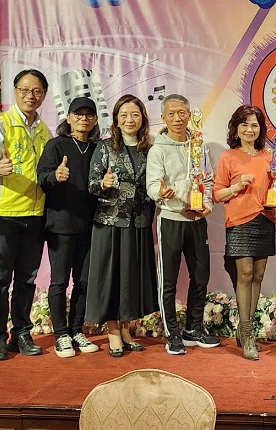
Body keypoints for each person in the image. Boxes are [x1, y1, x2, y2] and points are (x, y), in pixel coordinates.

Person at [0, 69, 51, 361]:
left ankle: (21, 333)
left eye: (36, 91)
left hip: (35, 214)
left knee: (27, 279)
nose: (30, 96)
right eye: (24, 90)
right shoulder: (0, 124)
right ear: (15, 91)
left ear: (43, 95)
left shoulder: (45, 130)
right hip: (4, 214)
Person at [145, 94, 219, 356]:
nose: (177, 118)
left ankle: (193, 329)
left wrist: (206, 204)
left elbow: (207, 179)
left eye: (182, 113)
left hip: (197, 220)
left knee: (201, 276)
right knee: (168, 280)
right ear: (163, 118)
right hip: (171, 220)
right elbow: (152, 184)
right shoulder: (158, 149)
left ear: (190, 115)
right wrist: (161, 193)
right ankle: (172, 334)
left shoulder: (198, 144)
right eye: (172, 114)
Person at [86, 94, 158, 357]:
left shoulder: (150, 148)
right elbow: (92, 183)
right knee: (112, 278)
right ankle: (113, 332)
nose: (130, 119)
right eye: (124, 115)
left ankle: (126, 329)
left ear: (143, 119)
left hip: (139, 223)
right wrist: (102, 184)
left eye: (135, 114)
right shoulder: (105, 147)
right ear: (116, 119)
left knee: (131, 279)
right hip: (111, 222)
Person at [213, 105, 276, 360]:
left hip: (265, 218)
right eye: (244, 124)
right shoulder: (228, 157)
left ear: (260, 129)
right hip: (239, 221)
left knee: (258, 275)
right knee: (244, 274)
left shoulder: (269, 155)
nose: (249, 129)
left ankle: (245, 329)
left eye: (254, 125)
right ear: (236, 129)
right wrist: (236, 187)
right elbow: (217, 194)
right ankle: (247, 334)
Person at [37, 97, 101, 358]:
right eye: (78, 114)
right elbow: (41, 177)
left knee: (83, 281)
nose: (84, 119)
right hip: (61, 224)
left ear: (95, 120)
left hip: (91, 225)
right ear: (69, 118)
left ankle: (76, 330)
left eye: (89, 115)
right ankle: (61, 334)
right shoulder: (56, 145)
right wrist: (55, 176)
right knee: (59, 281)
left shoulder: (98, 148)